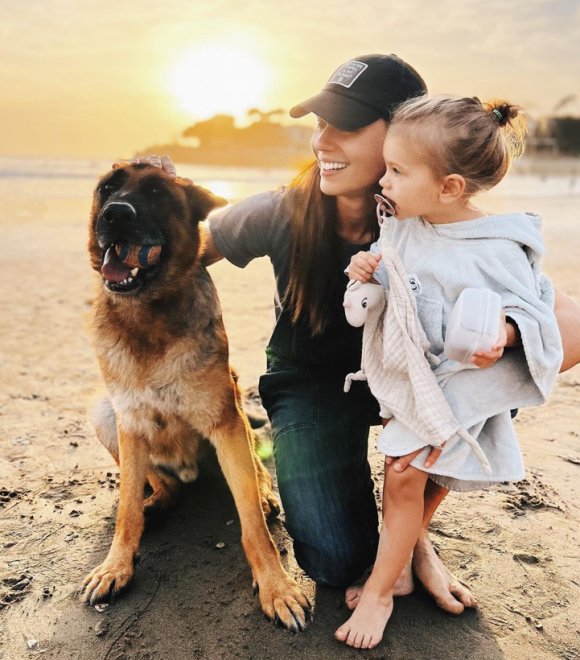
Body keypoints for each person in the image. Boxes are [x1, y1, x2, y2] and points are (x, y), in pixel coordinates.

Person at [130, 54, 580, 617]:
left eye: (345, 126)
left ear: (402, 135)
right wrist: (150, 200)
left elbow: (568, 323)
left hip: (410, 386)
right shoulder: (281, 210)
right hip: (312, 380)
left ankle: (416, 537)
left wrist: (504, 337)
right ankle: (297, 451)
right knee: (334, 561)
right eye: (319, 124)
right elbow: (181, 253)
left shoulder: (437, 217)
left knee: (499, 376)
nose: (322, 141)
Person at [336, 94, 563, 649]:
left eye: (396, 170)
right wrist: (365, 268)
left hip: (459, 385)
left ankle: (380, 593)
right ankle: (402, 567)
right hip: (410, 377)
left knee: (403, 479)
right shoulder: (405, 224)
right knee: (405, 479)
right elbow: (388, 281)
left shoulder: (496, 246)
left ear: (450, 187)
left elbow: (533, 308)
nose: (382, 182)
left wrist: (504, 333)